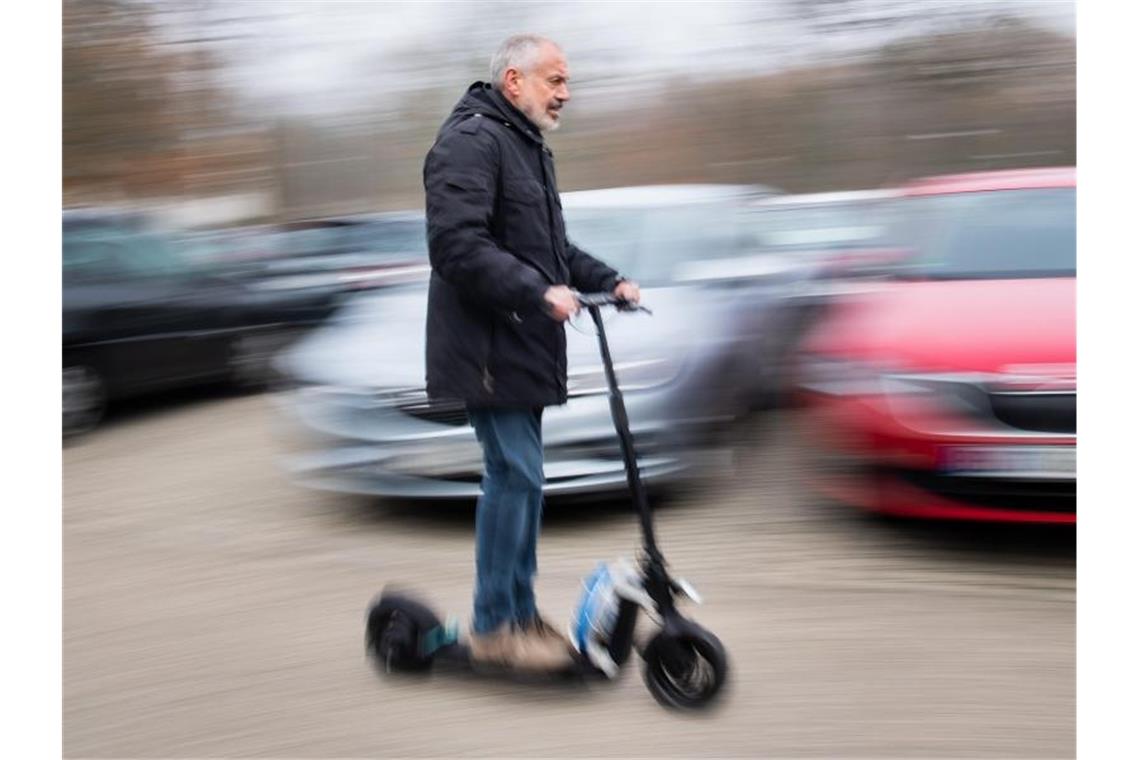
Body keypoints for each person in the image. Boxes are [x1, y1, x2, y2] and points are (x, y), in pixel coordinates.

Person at [422, 34, 640, 671]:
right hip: (489, 347)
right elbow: (455, 246)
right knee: (513, 475)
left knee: (525, 481)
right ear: (514, 81)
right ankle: (494, 624)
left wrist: (609, 281)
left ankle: (517, 612)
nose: (565, 93)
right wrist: (538, 292)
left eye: (566, 82)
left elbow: (554, 252)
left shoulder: (526, 150)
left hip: (521, 346)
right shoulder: (471, 141)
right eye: (555, 80)